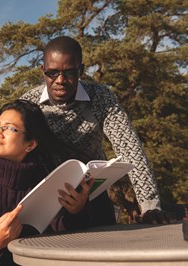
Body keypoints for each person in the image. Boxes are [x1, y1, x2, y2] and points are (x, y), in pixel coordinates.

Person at [20, 35, 175, 225]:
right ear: (42, 71)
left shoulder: (101, 97)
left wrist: (150, 205)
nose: (60, 80)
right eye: (52, 73)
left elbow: (129, 148)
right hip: (46, 203)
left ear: (81, 71)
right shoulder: (28, 104)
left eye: (69, 72)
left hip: (94, 198)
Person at [0, 99, 94, 266]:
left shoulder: (44, 181)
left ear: (30, 144)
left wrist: (76, 211)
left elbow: (59, 235)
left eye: (10, 129)